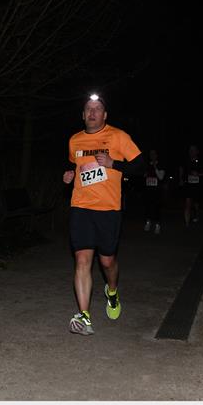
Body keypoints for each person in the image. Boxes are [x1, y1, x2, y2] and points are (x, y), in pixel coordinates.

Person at [62, 94, 144, 335]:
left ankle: (112, 291)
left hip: (108, 209)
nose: (92, 112)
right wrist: (69, 176)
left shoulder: (118, 136)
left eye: (97, 109)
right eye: (88, 109)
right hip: (81, 207)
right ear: (83, 114)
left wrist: (113, 164)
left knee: (107, 261)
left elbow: (139, 166)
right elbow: (75, 166)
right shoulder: (74, 140)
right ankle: (84, 316)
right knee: (82, 260)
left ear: (105, 115)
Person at [179, 144, 203, 226]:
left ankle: (196, 214)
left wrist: (198, 174)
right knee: (187, 203)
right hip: (188, 185)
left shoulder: (202, 161)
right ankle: (187, 224)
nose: (191, 152)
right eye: (190, 150)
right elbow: (181, 169)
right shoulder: (186, 161)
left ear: (197, 152)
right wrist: (181, 179)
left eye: (193, 150)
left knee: (196, 204)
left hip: (198, 186)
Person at [143, 149, 166, 234]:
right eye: (151, 154)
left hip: (157, 191)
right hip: (148, 190)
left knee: (157, 208)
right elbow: (144, 176)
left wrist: (155, 167)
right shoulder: (147, 165)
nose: (152, 156)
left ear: (157, 155)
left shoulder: (161, 165)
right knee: (148, 207)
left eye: (153, 154)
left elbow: (161, 177)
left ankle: (157, 225)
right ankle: (148, 223)